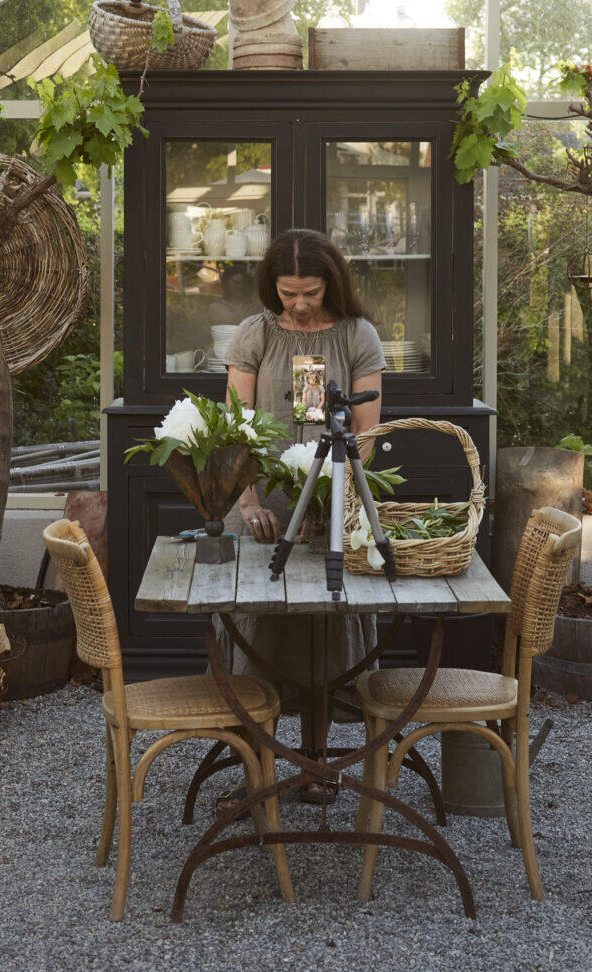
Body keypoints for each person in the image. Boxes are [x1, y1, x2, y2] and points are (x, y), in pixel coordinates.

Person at [220, 228, 385, 804]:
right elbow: (233, 427)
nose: (298, 304)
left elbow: (366, 435)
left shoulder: (357, 335)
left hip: (330, 506)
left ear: (331, 283)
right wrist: (247, 503)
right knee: (255, 634)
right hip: (262, 506)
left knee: (324, 632)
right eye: (288, 292)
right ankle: (255, 770)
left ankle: (318, 764)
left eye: (310, 292)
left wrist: (330, 503)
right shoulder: (254, 334)